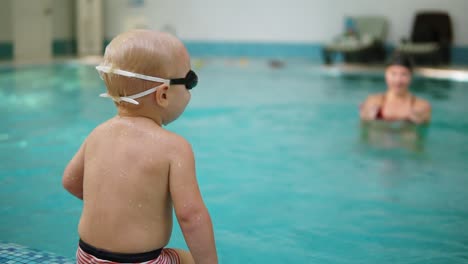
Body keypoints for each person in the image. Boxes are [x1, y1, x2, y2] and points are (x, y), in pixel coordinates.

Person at [62, 30, 218, 264]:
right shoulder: (175, 148)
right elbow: (190, 216)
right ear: (163, 94)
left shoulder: (98, 134)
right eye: (189, 82)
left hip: (86, 257)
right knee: (188, 260)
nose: (190, 89)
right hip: (142, 261)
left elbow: (71, 182)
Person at [359, 53, 431, 151]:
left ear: (411, 76)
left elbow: (422, 139)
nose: (398, 80)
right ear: (386, 74)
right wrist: (366, 120)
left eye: (404, 74)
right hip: (378, 152)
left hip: (407, 154)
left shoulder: (421, 106)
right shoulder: (373, 102)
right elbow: (363, 137)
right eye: (393, 74)